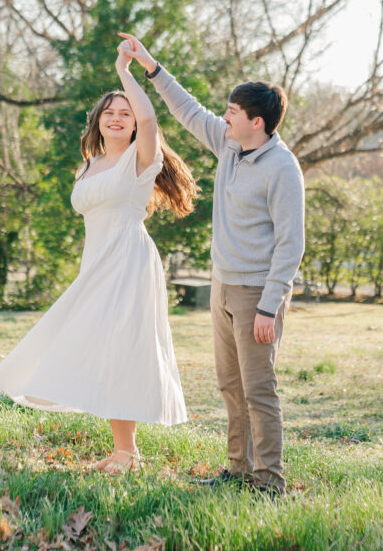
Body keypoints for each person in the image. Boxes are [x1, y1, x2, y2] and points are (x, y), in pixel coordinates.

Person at [0, 39, 198, 473]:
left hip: (129, 260)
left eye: (124, 113)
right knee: (98, 346)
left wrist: (126, 71)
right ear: (98, 122)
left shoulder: (143, 159)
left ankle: (127, 453)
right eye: (109, 112)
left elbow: (150, 115)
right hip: (96, 261)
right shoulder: (88, 165)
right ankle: (123, 450)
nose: (118, 117)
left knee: (123, 348)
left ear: (134, 125)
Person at [116, 33, 305, 496]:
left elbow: (291, 242)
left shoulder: (282, 168)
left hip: (257, 294)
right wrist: (150, 65)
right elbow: (187, 109)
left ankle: (270, 482)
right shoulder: (229, 145)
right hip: (222, 286)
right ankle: (239, 470)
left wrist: (269, 304)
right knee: (229, 385)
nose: (224, 117)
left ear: (255, 122)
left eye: (233, 113)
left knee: (259, 390)